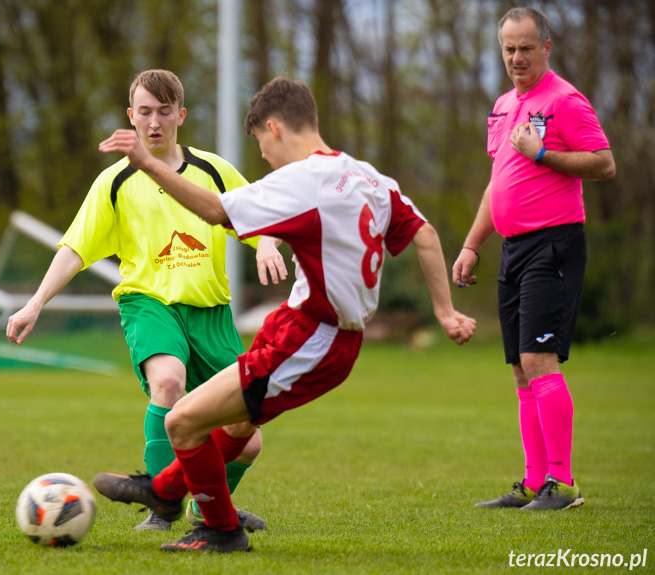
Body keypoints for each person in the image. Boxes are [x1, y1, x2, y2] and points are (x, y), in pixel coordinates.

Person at [94, 76, 476, 553]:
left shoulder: (302, 181)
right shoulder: (369, 178)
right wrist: (446, 312)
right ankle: (170, 494)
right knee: (235, 427)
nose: (264, 159)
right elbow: (424, 233)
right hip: (304, 332)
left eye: (260, 144)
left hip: (313, 340)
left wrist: (146, 163)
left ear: (273, 128)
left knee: (182, 423)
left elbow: (214, 210)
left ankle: (210, 524)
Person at [6, 69, 286, 532]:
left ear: (181, 114)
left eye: (163, 111)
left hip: (211, 314)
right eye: (144, 112)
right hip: (149, 303)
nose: (153, 122)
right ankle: (162, 501)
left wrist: (270, 244)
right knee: (169, 382)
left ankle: (205, 506)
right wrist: (35, 303)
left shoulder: (214, 171)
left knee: (247, 438)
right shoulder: (114, 183)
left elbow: (258, 216)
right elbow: (75, 248)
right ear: (130, 116)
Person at [452, 7, 615, 511]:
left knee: (538, 360)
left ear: (547, 48)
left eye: (526, 48)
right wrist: (472, 243)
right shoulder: (502, 106)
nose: (516, 58)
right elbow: (497, 184)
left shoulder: (565, 101)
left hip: (555, 243)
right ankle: (533, 482)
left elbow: (604, 163)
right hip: (514, 248)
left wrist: (543, 154)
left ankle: (562, 484)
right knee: (521, 370)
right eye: (508, 49)